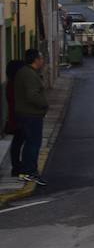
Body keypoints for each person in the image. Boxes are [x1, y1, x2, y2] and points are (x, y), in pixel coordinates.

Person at [11, 49, 48, 186]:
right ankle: (31, 172)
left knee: (29, 144)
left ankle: (26, 172)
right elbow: (32, 95)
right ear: (36, 60)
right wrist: (44, 104)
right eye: (41, 58)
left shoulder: (25, 72)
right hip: (31, 115)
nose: (43, 61)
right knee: (33, 144)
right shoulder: (29, 75)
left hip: (26, 114)